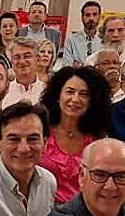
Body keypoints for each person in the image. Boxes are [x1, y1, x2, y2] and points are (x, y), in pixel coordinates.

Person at [39, 65, 110, 204]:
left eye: (84, 94)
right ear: (57, 96)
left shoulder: (99, 138)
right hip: (42, 212)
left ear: (92, 101)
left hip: (85, 213)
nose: (75, 99)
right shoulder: (40, 132)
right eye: (70, 92)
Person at [3, 37, 51, 107]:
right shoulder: (4, 92)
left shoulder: (47, 92)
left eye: (27, 56)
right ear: (12, 62)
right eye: (17, 57)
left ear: (37, 59)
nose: (22, 61)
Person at [63, 1, 104, 67]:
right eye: (87, 15)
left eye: (95, 14)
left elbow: (105, 67)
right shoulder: (72, 40)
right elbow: (67, 66)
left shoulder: (105, 40)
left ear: (99, 17)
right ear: (82, 17)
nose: (91, 18)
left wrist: (79, 65)